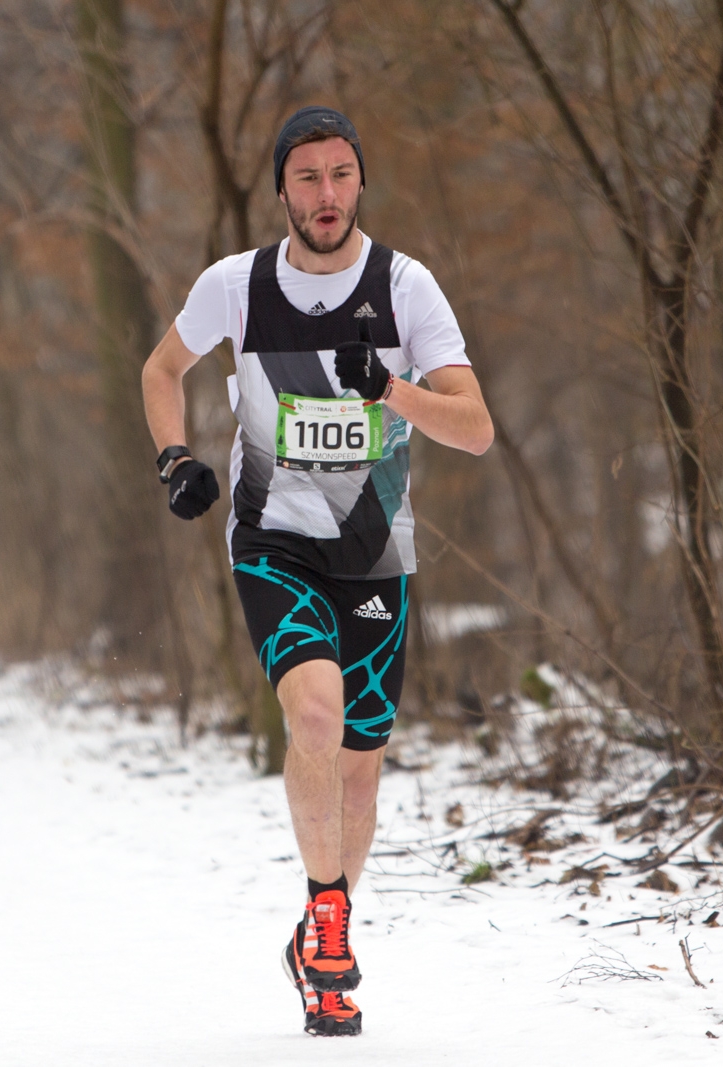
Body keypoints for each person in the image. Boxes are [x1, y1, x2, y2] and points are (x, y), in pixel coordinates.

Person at [141, 106, 493, 1037]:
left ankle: (315, 929)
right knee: (313, 713)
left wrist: (389, 390)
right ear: (283, 190)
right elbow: (159, 370)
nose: (326, 194)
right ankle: (330, 928)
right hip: (272, 539)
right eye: (308, 177)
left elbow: (476, 427)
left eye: (341, 174)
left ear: (359, 182)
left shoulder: (406, 289)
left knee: (361, 772)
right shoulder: (238, 286)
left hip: (374, 550)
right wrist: (174, 459)